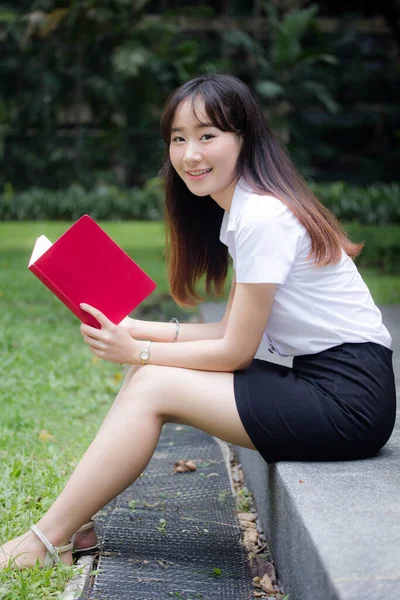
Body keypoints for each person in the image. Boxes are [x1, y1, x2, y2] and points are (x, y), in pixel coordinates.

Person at [0, 73, 396, 569]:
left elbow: (235, 352)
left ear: (243, 138)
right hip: (325, 382)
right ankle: (74, 527)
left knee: (151, 384)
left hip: (348, 401)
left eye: (208, 136)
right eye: (178, 139)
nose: (191, 154)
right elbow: (226, 330)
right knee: (147, 374)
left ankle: (42, 543)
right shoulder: (247, 212)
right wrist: (130, 328)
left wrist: (138, 351)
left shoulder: (263, 219)